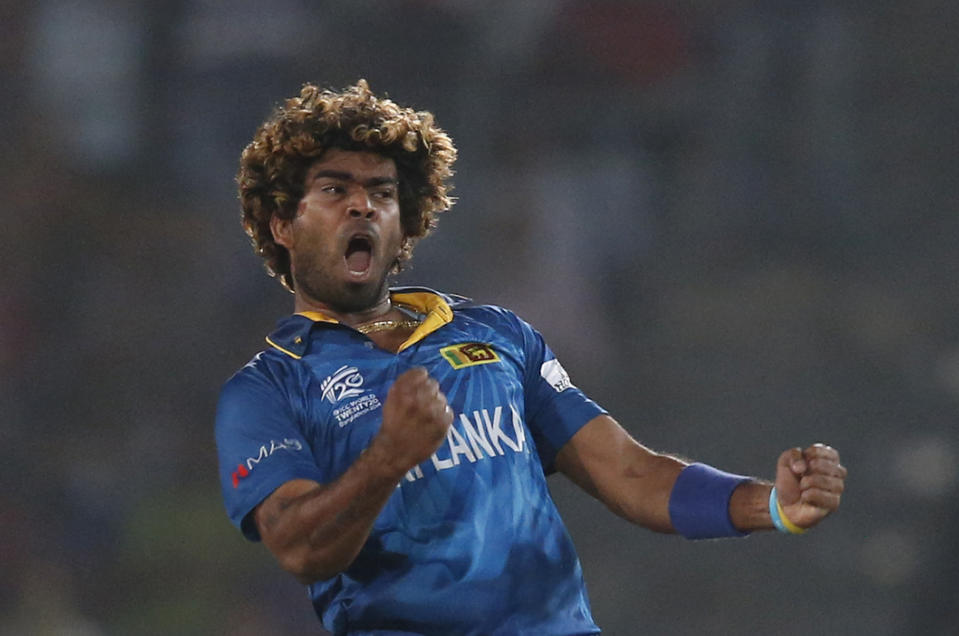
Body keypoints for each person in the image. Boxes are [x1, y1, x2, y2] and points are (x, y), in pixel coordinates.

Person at [215, 80, 847, 635]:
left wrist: (769, 506)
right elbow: (299, 548)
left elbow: (628, 472)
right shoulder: (269, 390)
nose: (363, 205)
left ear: (404, 221)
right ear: (281, 224)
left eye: (382, 192)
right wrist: (386, 459)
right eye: (334, 189)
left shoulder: (497, 332)